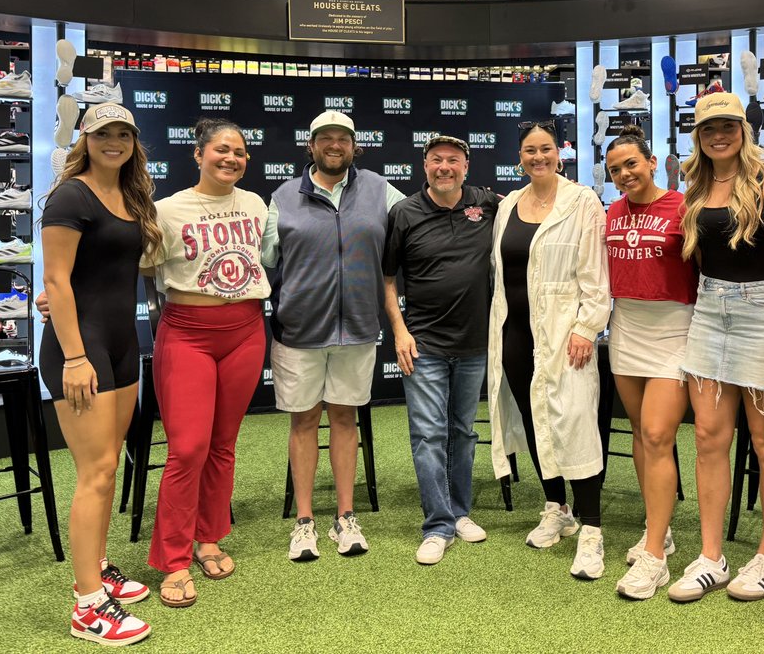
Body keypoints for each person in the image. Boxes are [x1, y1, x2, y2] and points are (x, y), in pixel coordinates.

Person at [40, 103, 160, 646]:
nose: (113, 142)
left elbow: (103, 272)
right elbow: (58, 282)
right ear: (84, 139)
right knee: (96, 471)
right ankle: (88, 605)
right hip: (79, 350)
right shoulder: (71, 195)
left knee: (109, 468)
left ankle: (98, 565)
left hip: (119, 345)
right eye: (102, 133)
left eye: (122, 134)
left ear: (133, 142)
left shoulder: (132, 196)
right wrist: (73, 355)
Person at [261, 110, 405, 561]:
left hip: (358, 329)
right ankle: (305, 522)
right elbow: (264, 258)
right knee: (303, 422)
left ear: (353, 145)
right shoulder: (283, 195)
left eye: (343, 138)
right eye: (325, 137)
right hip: (299, 332)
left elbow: (418, 222)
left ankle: (346, 516)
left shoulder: (381, 190)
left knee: (344, 420)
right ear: (312, 144)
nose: (334, 145)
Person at [669, 92, 764, 605]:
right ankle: (711, 556)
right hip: (708, 309)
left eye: (728, 126)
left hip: (763, 312)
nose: (718, 135)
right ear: (698, 136)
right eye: (708, 128)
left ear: (743, 127)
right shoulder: (695, 184)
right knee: (707, 440)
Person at [141, 118, 271, 607]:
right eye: (221, 149)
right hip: (188, 334)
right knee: (188, 449)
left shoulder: (255, 204)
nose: (231, 158)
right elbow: (129, 264)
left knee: (222, 444)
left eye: (239, 151)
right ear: (198, 154)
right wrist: (60, 290)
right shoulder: (168, 209)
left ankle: (209, 536)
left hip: (245, 331)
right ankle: (173, 558)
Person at [486, 119, 610, 579]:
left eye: (545, 148)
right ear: (519, 156)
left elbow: (597, 277)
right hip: (514, 333)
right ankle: (557, 508)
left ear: (559, 151)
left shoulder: (583, 202)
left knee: (575, 421)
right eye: (528, 150)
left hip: (565, 335)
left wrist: (586, 328)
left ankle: (592, 528)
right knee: (536, 420)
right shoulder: (510, 205)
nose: (537, 157)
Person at [382, 135, 497, 564]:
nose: (444, 167)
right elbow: (388, 278)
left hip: (475, 342)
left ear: (466, 166)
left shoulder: (488, 204)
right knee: (429, 435)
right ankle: (437, 525)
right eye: (436, 160)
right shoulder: (404, 212)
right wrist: (399, 331)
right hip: (424, 343)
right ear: (424, 166)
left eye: (453, 160)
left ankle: (460, 511)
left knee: (463, 433)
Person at [603, 125, 698, 601]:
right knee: (642, 433)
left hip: (675, 329)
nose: (624, 174)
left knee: (660, 434)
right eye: (615, 169)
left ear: (652, 162)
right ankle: (655, 525)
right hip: (626, 328)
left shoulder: (682, 207)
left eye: (631, 164)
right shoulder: (610, 212)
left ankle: (656, 557)